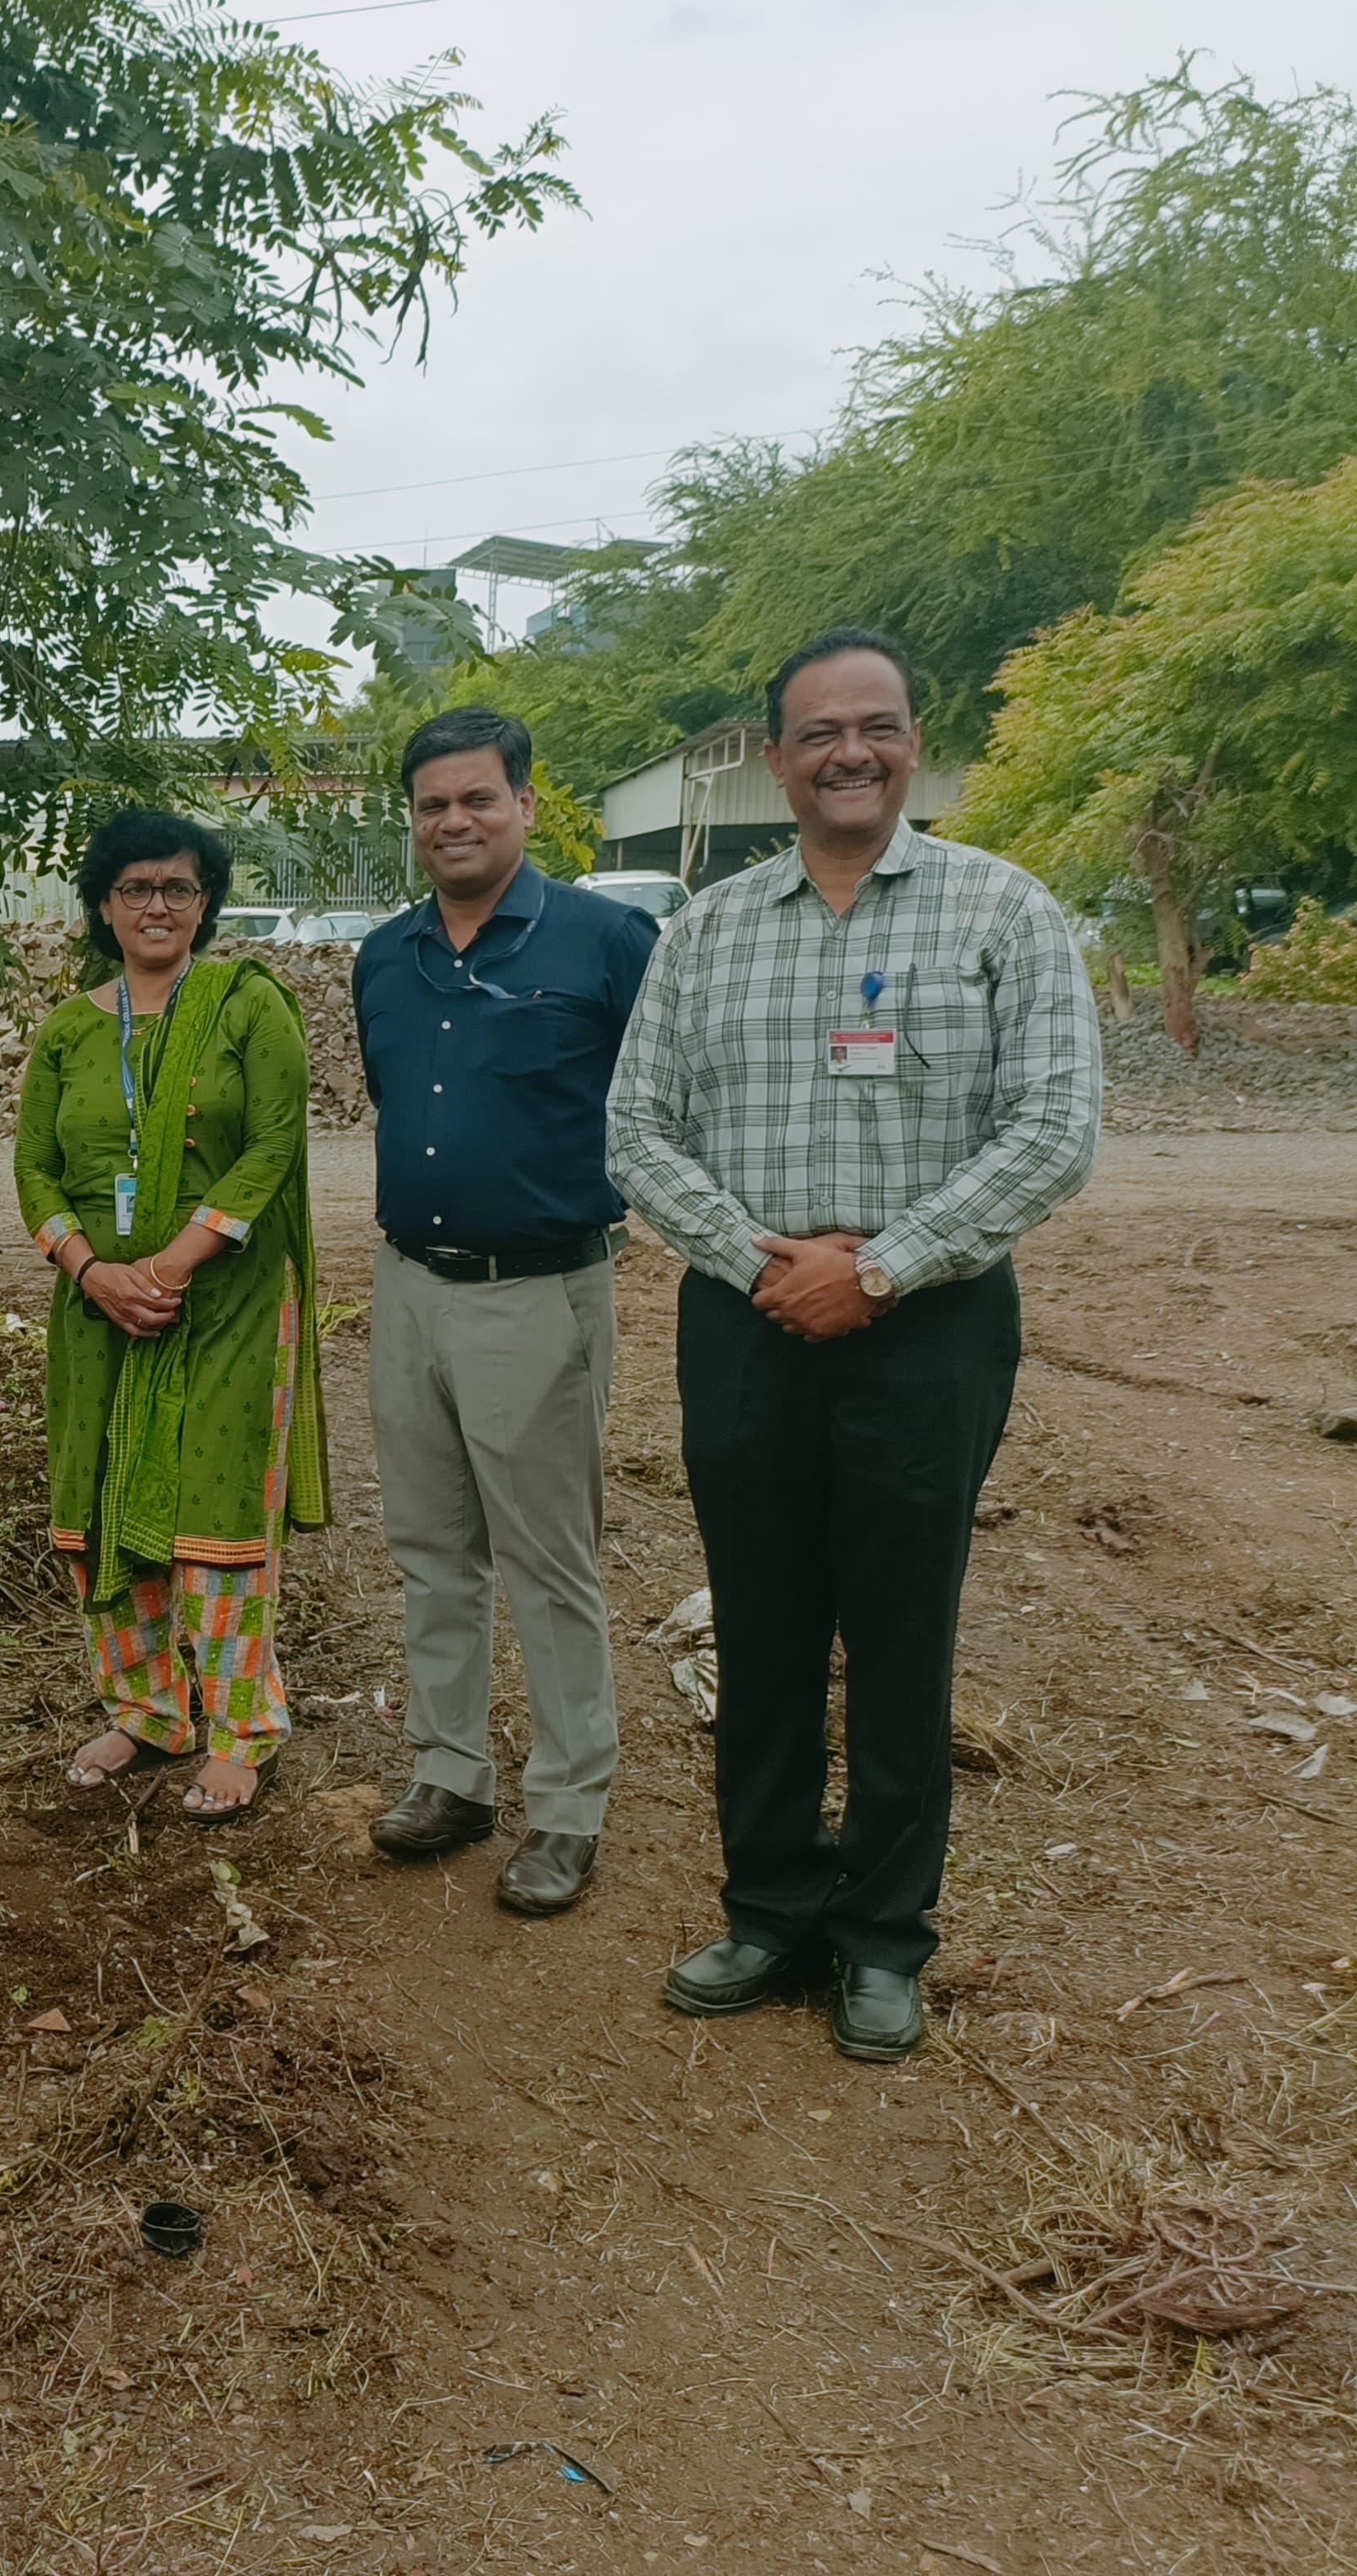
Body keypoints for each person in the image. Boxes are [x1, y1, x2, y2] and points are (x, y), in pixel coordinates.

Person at [611, 628, 1099, 2063]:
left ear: (913, 741)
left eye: (876, 727)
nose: (850, 753)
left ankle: (884, 1938)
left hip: (929, 1328)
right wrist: (763, 1261)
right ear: (776, 758)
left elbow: (1054, 1130)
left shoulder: (1002, 915)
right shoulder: (705, 931)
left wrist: (878, 1270)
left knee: (899, 1632)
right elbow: (639, 1128)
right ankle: (769, 1909)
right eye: (820, 731)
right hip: (748, 1312)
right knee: (761, 1623)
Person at [352, 708, 661, 1915]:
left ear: (528, 804)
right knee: (431, 1549)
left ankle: (569, 1806)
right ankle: (451, 1773)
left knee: (548, 1559)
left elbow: (659, 1098)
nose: (454, 822)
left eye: (478, 799)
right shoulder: (388, 957)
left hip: (540, 1293)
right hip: (409, 1287)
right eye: (433, 804)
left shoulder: (606, 942)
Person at [17, 810, 328, 1821]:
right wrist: (88, 1267)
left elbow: (273, 1139)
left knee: (216, 1512)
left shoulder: (247, 1005)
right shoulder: (70, 1028)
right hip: (100, 1307)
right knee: (100, 1505)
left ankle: (242, 1727)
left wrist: (173, 1261)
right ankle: (148, 1711)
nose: (157, 905)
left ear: (206, 903)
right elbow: (31, 1168)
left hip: (228, 1300)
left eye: (178, 889)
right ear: (103, 906)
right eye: (135, 889)